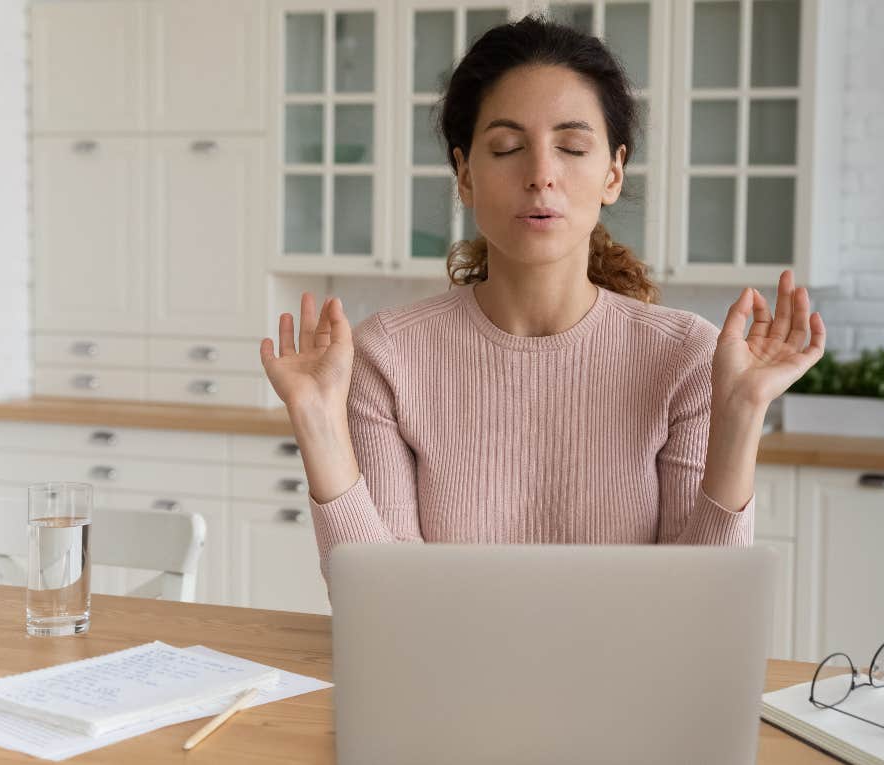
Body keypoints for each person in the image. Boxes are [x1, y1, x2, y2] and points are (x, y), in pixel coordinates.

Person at [260, 14, 826, 593]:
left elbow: (704, 604)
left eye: (573, 147)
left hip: (628, 679)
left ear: (613, 173)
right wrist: (316, 420)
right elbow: (379, 600)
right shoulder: (389, 354)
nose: (541, 175)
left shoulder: (684, 355)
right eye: (507, 148)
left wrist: (742, 414)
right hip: (450, 678)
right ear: (464, 174)